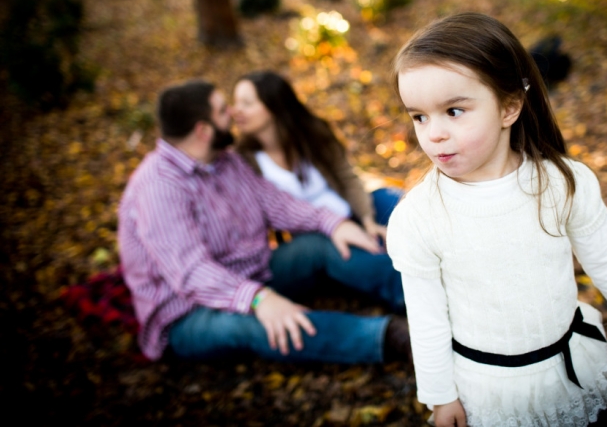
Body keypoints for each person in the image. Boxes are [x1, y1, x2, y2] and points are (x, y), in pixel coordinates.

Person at [386, 13, 607, 427]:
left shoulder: (561, 183)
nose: (433, 133)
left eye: (453, 111)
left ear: (509, 107)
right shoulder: (418, 217)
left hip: (569, 368)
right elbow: (427, 315)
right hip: (490, 390)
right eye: (419, 116)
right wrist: (440, 397)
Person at [117, 79, 409, 364]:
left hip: (253, 272)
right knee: (266, 326)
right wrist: (258, 299)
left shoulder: (226, 161)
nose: (231, 113)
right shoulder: (158, 186)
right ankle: (390, 337)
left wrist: (333, 222)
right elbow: (192, 274)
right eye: (222, 110)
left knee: (320, 244)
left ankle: (417, 294)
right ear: (203, 130)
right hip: (191, 312)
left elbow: (277, 204)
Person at [231, 71, 401, 244]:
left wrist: (367, 220)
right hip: (314, 240)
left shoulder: (313, 134)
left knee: (400, 204)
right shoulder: (243, 161)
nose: (235, 111)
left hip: (349, 212)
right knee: (376, 256)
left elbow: (347, 178)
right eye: (235, 103)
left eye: (246, 103)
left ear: (273, 106)